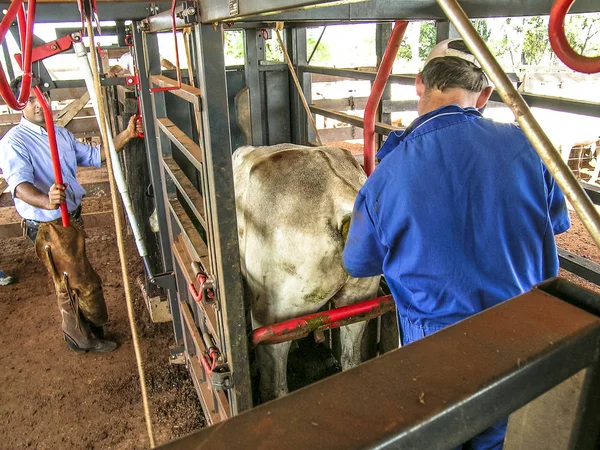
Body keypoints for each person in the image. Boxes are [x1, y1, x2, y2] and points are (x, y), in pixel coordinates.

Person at [343, 39, 570, 450]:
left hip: (438, 355)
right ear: (483, 94)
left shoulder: (388, 175)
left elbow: (358, 262)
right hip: (526, 337)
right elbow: (555, 222)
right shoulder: (530, 147)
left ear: (418, 84)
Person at [0, 75, 144, 353]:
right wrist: (46, 199)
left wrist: (127, 135)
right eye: (30, 100)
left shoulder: (60, 134)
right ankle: (81, 337)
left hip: (70, 218)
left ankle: (87, 330)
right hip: (49, 225)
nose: (39, 104)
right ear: (19, 105)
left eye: (42, 97)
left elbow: (93, 156)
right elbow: (18, 186)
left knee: (75, 278)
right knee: (76, 282)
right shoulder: (14, 141)